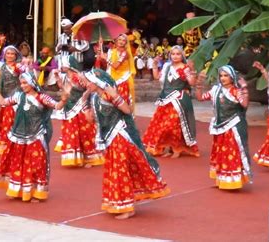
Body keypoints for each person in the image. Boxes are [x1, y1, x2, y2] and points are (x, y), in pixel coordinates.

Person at [81, 68, 170, 219]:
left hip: (120, 136)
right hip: (109, 139)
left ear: (97, 82)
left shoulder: (109, 95)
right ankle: (120, 203)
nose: (86, 84)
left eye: (88, 81)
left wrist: (115, 96)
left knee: (119, 169)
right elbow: (91, 120)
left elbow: (127, 110)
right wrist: (84, 102)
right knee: (115, 169)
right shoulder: (95, 98)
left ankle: (128, 208)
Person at [0, 72, 70, 202]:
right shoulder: (19, 96)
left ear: (32, 83)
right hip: (19, 135)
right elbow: (3, 102)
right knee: (17, 162)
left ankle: (36, 192)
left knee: (36, 164)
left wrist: (64, 96)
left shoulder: (42, 98)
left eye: (25, 83)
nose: (23, 86)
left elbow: (57, 106)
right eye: (21, 83)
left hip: (36, 135)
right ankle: (17, 190)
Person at [196, 65, 252, 189]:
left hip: (233, 125)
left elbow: (244, 104)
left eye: (226, 75)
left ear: (232, 77)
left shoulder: (235, 91)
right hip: (220, 126)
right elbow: (200, 98)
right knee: (221, 152)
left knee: (232, 151)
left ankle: (234, 181)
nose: (223, 78)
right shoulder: (215, 90)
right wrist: (199, 85)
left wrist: (244, 88)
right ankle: (222, 179)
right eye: (221, 76)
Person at [142, 46, 199, 158]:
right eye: (173, 54)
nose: (175, 56)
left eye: (178, 54)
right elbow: (157, 77)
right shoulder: (167, 66)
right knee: (163, 125)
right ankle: (168, 147)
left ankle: (177, 148)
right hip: (165, 99)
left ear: (182, 55)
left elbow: (192, 83)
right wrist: (154, 65)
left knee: (174, 124)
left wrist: (192, 70)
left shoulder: (185, 68)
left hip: (178, 99)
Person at [53, 56, 104, 168]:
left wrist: (86, 98)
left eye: (64, 64)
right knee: (71, 130)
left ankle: (89, 158)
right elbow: (64, 89)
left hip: (80, 106)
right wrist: (57, 78)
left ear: (70, 65)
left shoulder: (78, 77)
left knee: (85, 132)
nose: (61, 66)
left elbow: (90, 87)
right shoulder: (66, 76)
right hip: (69, 107)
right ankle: (76, 158)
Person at [0, 46, 26, 154]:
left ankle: (16, 146)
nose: (9, 56)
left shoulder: (18, 66)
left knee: (14, 122)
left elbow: (25, 72)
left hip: (16, 97)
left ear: (16, 56)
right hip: (4, 97)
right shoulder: (1, 65)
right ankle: (7, 146)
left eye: (12, 54)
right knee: (6, 122)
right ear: (4, 55)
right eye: (8, 53)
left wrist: (26, 65)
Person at [102, 34, 136, 109]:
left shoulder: (125, 53)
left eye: (123, 40)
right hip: (112, 77)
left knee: (122, 101)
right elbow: (108, 66)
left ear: (126, 43)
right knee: (108, 99)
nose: (121, 42)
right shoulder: (111, 51)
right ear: (116, 41)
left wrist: (106, 59)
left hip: (123, 79)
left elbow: (116, 66)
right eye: (119, 40)